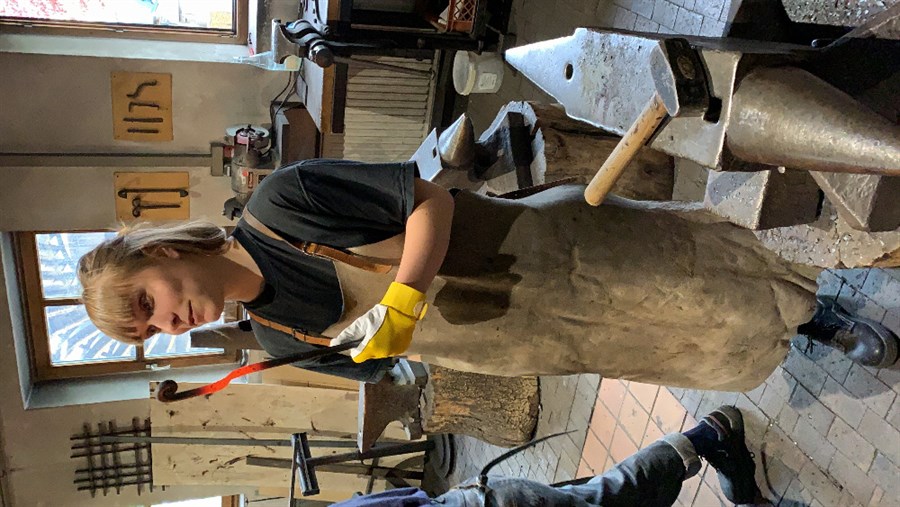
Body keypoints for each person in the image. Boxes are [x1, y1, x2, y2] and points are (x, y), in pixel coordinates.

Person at [77, 159, 899, 390]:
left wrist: (403, 295)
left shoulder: (281, 204)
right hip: (524, 338)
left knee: (692, 272)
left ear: (163, 253)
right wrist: (391, 350)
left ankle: (818, 307)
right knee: (675, 342)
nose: (167, 323)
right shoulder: (275, 336)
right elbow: (387, 364)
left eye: (147, 302)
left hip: (541, 251)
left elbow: (428, 200)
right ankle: (794, 329)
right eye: (150, 331)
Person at [331, 405, 760, 507]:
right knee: (605, 495)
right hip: (481, 499)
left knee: (614, 496)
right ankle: (710, 437)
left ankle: (710, 436)